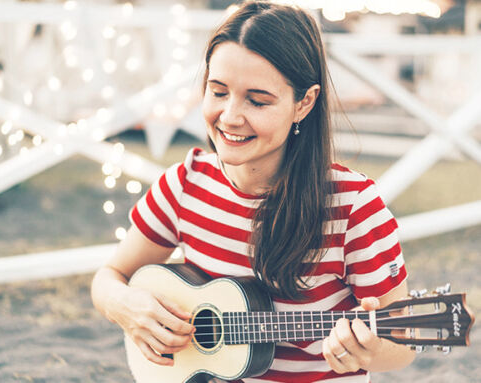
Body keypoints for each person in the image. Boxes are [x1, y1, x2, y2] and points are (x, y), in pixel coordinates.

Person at [91, 1, 415, 382]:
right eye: (218, 92)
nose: (230, 116)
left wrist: (368, 350)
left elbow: (404, 343)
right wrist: (127, 306)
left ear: (304, 103)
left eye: (257, 100)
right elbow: (109, 276)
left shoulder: (353, 207)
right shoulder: (184, 184)